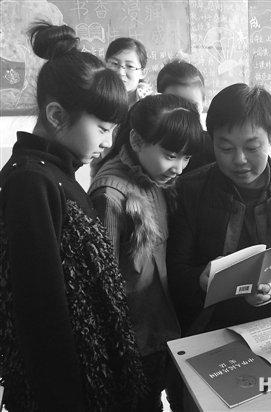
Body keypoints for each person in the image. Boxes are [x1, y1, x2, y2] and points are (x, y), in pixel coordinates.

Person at [0, 21, 144, 411]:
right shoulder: (31, 183)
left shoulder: (56, 172)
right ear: (57, 115)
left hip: (92, 374)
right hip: (68, 391)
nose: (107, 142)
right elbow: (40, 311)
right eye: (102, 128)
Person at [167, 83, 271, 334]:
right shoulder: (190, 190)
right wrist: (200, 279)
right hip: (214, 325)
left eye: (252, 147)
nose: (239, 160)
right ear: (211, 141)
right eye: (226, 148)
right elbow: (175, 269)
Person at [89, 94, 203, 411]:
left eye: (186, 158)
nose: (179, 168)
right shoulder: (111, 195)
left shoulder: (154, 177)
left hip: (158, 326)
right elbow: (104, 286)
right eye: (170, 155)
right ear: (137, 141)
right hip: (132, 339)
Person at [157, 59, 215, 172]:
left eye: (193, 106)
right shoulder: (147, 144)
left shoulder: (214, 149)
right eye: (175, 105)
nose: (185, 113)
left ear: (203, 103)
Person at [105, 37, 153, 106]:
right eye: (114, 64)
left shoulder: (153, 105)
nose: (120, 72)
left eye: (130, 66)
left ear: (142, 72)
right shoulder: (95, 100)